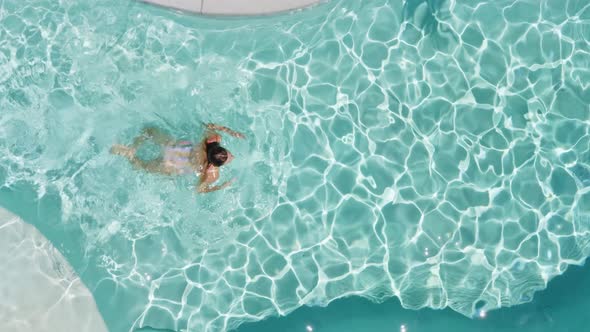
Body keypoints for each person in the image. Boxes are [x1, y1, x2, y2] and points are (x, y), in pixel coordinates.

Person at [111, 123, 245, 193]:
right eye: (229, 157)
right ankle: (130, 155)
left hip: (173, 147)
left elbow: (209, 125)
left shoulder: (212, 139)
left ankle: (132, 147)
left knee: (149, 131)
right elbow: (199, 190)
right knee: (142, 167)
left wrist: (231, 132)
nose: (232, 156)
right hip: (171, 165)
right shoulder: (212, 173)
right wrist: (221, 187)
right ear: (214, 164)